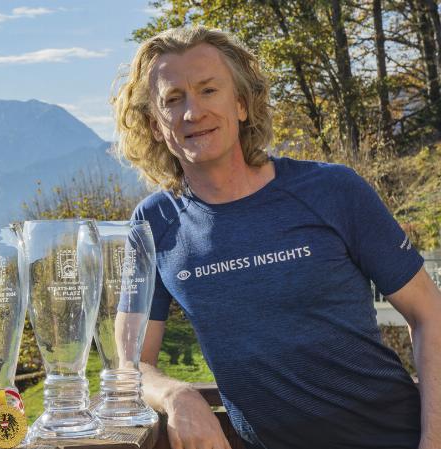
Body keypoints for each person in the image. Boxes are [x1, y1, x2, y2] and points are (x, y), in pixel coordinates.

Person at [112, 25, 441, 449]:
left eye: (209, 90)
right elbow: (130, 363)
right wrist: (176, 395)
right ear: (156, 125)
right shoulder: (153, 223)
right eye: (173, 100)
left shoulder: (332, 189)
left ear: (243, 104)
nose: (192, 112)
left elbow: (429, 315)